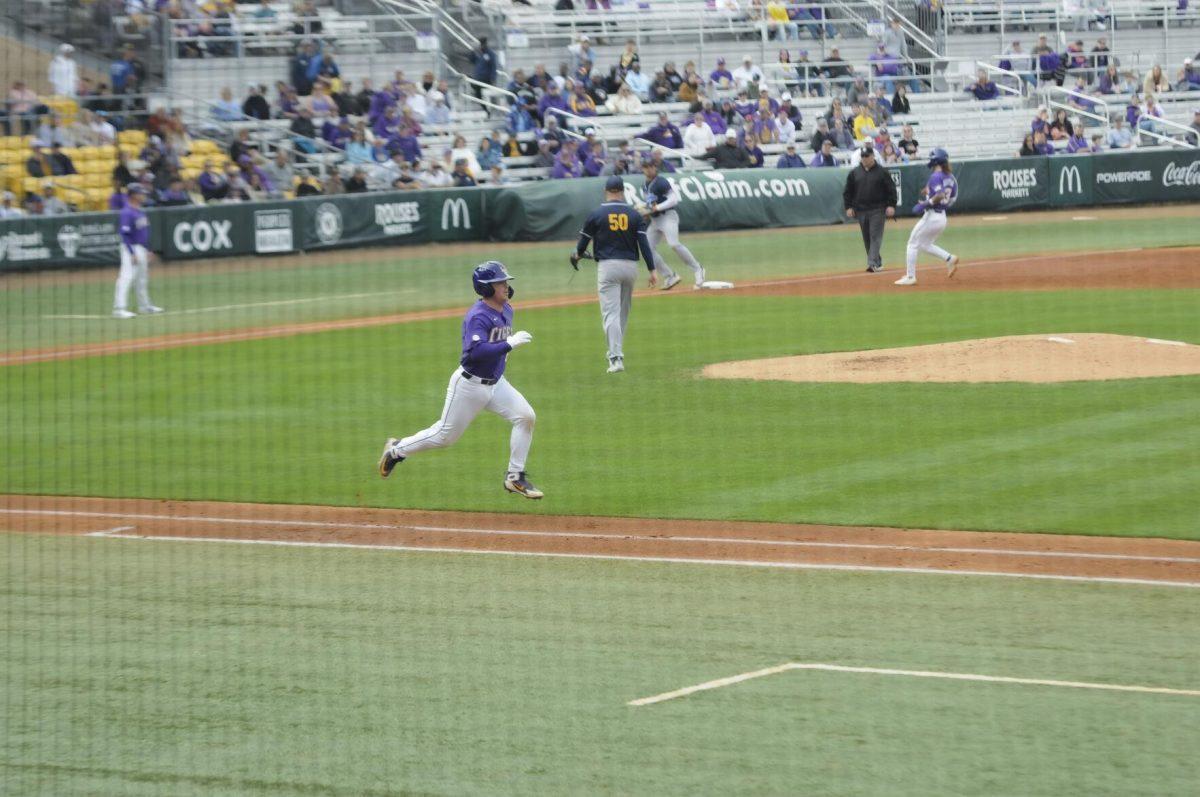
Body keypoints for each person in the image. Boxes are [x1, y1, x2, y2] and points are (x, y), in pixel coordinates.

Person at [377, 261, 541, 500]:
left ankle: (515, 477)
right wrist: (509, 343)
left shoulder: (507, 310)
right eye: (500, 283)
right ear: (486, 288)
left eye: (506, 282)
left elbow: (496, 352)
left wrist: (505, 350)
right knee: (444, 437)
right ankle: (396, 450)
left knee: (526, 416)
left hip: (496, 384)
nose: (506, 286)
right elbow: (474, 351)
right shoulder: (478, 317)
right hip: (469, 386)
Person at [571, 176, 660, 373]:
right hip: (630, 267)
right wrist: (652, 269)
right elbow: (644, 244)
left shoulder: (596, 214)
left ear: (606, 191)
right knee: (623, 312)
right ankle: (616, 349)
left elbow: (583, 242)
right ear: (622, 191)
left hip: (608, 267)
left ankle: (616, 358)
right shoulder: (634, 214)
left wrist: (577, 255)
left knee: (610, 313)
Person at [639, 159, 706, 291]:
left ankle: (698, 268)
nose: (648, 169)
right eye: (645, 167)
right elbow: (650, 205)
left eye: (650, 166)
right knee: (647, 249)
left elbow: (674, 199)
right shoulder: (644, 186)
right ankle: (670, 276)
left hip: (668, 217)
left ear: (655, 167)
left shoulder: (661, 182)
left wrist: (656, 208)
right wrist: (646, 211)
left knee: (674, 244)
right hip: (655, 221)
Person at [896, 148, 959, 286]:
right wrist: (931, 198)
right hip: (942, 217)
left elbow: (941, 195)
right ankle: (949, 258)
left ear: (936, 160)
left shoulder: (936, 176)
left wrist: (926, 203)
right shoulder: (950, 176)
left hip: (932, 217)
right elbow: (952, 197)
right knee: (924, 245)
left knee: (912, 243)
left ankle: (910, 277)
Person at [843, 146, 896, 274]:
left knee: (875, 236)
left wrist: (891, 205)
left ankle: (872, 263)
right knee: (867, 238)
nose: (865, 159)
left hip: (878, 209)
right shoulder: (854, 173)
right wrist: (848, 207)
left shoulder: (882, 172)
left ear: (873, 156)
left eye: (867, 156)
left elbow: (891, 190)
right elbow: (847, 192)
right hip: (861, 210)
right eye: (863, 156)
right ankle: (877, 262)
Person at [112, 186, 162, 319]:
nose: (144, 195)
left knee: (142, 279)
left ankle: (144, 306)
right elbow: (124, 234)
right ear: (133, 195)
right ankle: (119, 308)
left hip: (142, 249)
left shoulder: (140, 211)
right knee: (126, 277)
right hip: (131, 248)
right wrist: (131, 252)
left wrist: (148, 249)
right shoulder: (127, 212)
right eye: (141, 193)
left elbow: (143, 233)